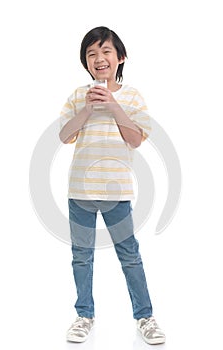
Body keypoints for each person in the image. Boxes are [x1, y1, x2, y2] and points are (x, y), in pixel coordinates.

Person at [59, 26, 166, 345]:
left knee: (130, 255)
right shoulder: (79, 96)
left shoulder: (132, 95)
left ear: (120, 57)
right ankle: (84, 315)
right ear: (86, 63)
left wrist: (114, 104)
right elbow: (64, 136)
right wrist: (89, 109)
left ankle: (144, 316)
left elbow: (135, 141)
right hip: (79, 192)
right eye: (91, 54)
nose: (98, 58)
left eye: (105, 51)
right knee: (82, 256)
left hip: (116, 193)